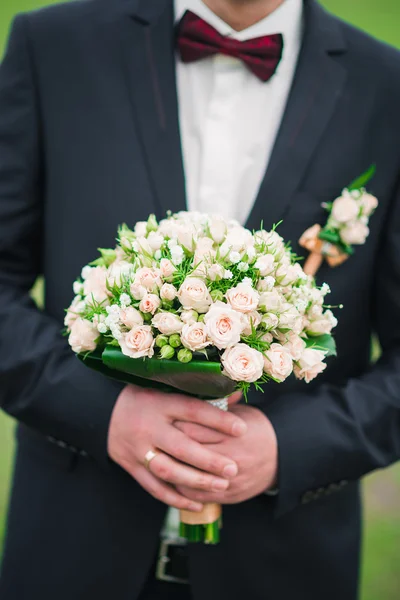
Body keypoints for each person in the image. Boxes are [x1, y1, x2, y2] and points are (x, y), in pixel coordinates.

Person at [0, 0, 399, 598]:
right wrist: (101, 413)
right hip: (70, 554)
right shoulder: (53, 47)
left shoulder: (386, 86)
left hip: (286, 568)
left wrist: (290, 449)